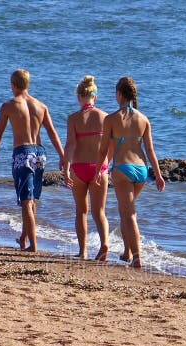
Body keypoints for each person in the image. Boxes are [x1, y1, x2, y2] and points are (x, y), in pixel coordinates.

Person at [0, 69, 65, 252]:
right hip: (40, 154)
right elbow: (53, 134)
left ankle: (33, 245)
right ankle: (24, 238)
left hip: (23, 153)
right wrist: (62, 156)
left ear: (13, 85)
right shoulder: (41, 106)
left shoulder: (9, 105)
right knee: (30, 200)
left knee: (26, 202)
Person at [94, 76, 165, 269]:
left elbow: (102, 150)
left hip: (122, 169)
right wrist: (158, 175)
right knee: (124, 211)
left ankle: (137, 257)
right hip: (142, 170)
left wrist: (98, 170)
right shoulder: (143, 119)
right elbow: (150, 150)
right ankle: (126, 252)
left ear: (119, 94)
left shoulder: (110, 119)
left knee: (129, 214)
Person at [61, 75, 112, 260]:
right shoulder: (105, 117)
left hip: (79, 168)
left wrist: (66, 170)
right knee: (100, 212)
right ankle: (104, 243)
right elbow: (110, 145)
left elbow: (70, 145)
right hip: (99, 168)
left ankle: (82, 252)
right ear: (95, 97)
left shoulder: (73, 118)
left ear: (79, 97)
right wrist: (107, 164)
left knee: (81, 211)